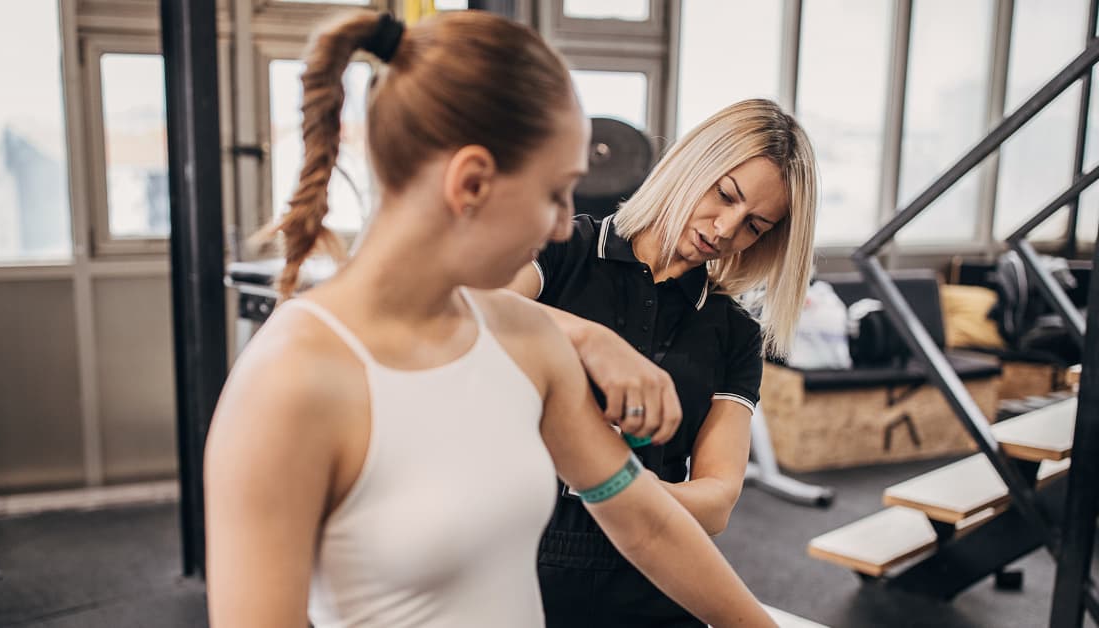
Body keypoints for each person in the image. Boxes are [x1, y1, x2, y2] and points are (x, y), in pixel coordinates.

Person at [203, 10, 778, 628]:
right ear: (472, 182)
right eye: (555, 194)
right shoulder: (289, 381)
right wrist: (587, 334)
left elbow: (645, 524)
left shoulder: (529, 339)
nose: (564, 224)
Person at [507, 98, 817, 628]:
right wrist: (592, 341)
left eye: (754, 226)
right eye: (725, 195)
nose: (724, 230)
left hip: (652, 567)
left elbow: (717, 500)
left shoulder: (734, 331)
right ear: (693, 162)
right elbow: (467, 307)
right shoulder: (564, 249)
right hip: (514, 555)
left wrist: (609, 484)